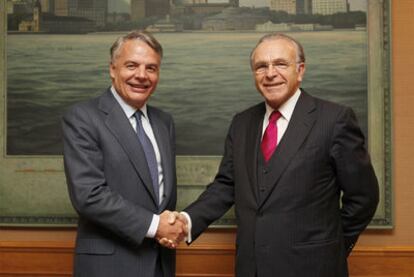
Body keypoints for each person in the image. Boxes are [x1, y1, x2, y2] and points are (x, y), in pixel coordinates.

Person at [168, 33, 379, 277]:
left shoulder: (334, 120)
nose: (270, 73)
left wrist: (332, 246)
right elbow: (226, 185)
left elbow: (364, 197)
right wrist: (186, 220)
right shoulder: (242, 123)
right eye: (261, 67)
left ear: (300, 70)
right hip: (251, 268)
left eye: (280, 64)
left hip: (315, 269)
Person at [62, 30, 186, 277]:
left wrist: (173, 225)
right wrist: (155, 226)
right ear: (112, 69)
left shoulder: (164, 122)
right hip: (109, 266)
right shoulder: (83, 118)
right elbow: (89, 194)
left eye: (151, 68)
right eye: (132, 66)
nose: (142, 75)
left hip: (161, 265)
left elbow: (159, 195)